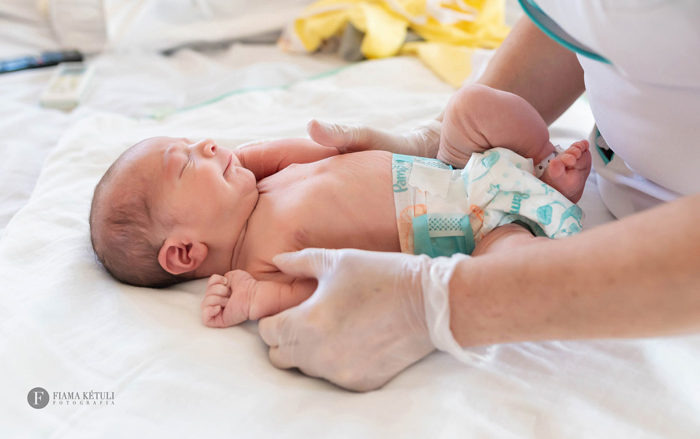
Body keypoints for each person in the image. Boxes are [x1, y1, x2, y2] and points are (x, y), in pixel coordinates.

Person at [257, 0, 700, 392]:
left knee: (506, 243)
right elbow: (589, 5)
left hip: (665, 258)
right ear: (184, 251)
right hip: (479, 180)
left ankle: (540, 195)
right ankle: (543, 178)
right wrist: (436, 141)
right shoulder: (250, 238)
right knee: (472, 106)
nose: (201, 149)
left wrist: (444, 301)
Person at [89, 84, 590, 328]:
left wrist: (270, 154)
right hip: (471, 231)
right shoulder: (261, 262)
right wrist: (256, 301)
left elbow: (330, 155)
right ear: (184, 253)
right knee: (504, 276)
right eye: (187, 163)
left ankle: (541, 166)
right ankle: (546, 209)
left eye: (194, 140)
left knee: (471, 106)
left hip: (457, 168)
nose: (209, 145)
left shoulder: (266, 181)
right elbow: (321, 287)